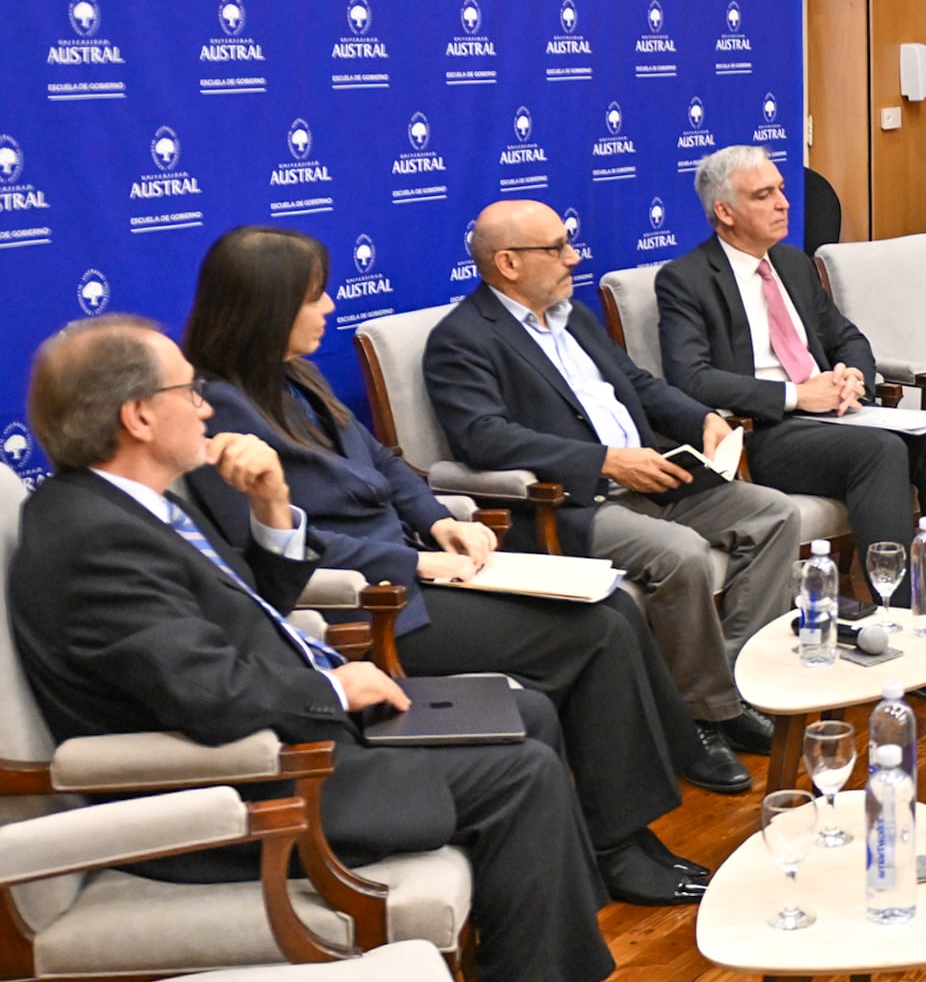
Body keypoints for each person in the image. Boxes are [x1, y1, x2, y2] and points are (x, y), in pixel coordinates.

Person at [9, 316, 614, 982]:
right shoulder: (95, 539)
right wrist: (334, 690)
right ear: (140, 417)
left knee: (526, 714)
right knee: (520, 775)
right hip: (240, 786)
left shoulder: (123, 506)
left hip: (283, 737)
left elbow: (247, 606)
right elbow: (204, 693)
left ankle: (547, 947)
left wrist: (272, 503)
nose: (206, 408)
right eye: (190, 392)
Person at [180, 225, 739, 906]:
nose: (328, 310)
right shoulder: (219, 411)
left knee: (615, 607)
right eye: (314, 297)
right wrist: (413, 561)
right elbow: (279, 548)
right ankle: (620, 847)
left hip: (416, 562)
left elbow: (384, 461)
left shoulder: (292, 373)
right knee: (594, 633)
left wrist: (439, 518)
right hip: (372, 602)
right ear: (263, 307)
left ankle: (630, 832)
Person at [654, 145, 926, 688]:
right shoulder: (686, 279)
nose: (783, 204)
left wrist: (850, 375)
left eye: (781, 190)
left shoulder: (791, 264)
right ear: (724, 211)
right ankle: (906, 633)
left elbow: (846, 336)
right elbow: (691, 378)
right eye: (764, 195)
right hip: (767, 431)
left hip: (837, 415)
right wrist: (796, 395)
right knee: (881, 451)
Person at [424, 199, 799, 755]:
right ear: (507, 263)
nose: (573, 258)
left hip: (655, 475)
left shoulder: (573, 317)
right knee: (683, 553)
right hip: (577, 502)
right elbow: (483, 437)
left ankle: (734, 687)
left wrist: (703, 418)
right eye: (556, 249)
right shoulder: (462, 339)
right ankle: (695, 723)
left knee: (776, 514)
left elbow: (637, 384)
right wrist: (605, 460)